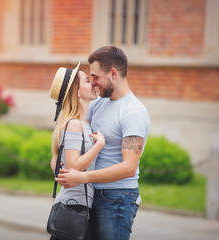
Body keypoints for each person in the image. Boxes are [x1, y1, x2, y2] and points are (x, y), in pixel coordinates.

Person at [55, 46, 150, 240]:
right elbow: (74, 135)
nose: (94, 83)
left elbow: (129, 168)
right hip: (92, 195)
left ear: (113, 73)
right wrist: (58, 162)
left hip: (118, 198)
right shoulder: (98, 104)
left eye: (96, 77)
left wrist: (82, 177)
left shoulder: (133, 112)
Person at [49, 63, 105, 240]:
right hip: (73, 208)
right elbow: (73, 167)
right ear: (78, 92)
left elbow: (55, 161)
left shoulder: (84, 124)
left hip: (79, 207)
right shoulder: (74, 124)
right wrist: (99, 145)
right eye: (88, 81)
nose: (93, 84)